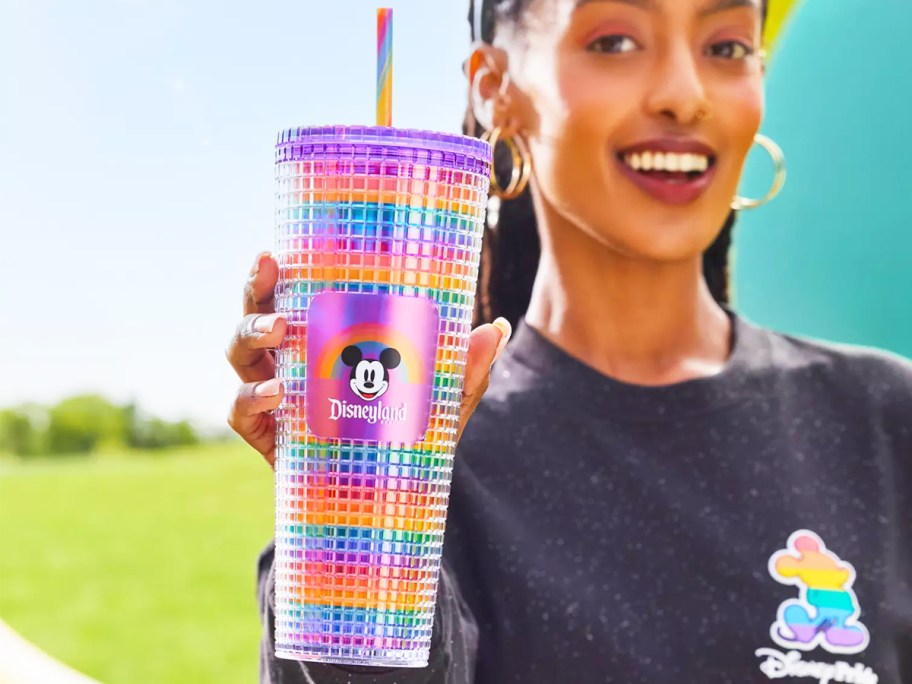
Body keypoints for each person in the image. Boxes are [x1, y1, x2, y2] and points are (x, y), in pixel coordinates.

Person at [225, 0, 912, 681]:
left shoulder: (886, 420)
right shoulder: (420, 475)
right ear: (495, 90)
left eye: (727, 47)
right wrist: (344, 504)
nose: (684, 96)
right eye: (615, 40)